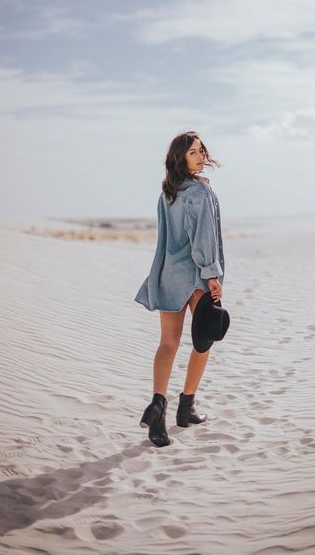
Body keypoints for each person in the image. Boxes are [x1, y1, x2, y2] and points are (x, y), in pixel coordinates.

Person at [134, 131, 225, 447]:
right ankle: (186, 406)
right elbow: (202, 237)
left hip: (170, 273)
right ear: (180, 158)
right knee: (204, 339)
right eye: (192, 153)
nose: (200, 156)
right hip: (198, 276)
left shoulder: (168, 191)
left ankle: (158, 406)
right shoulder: (199, 193)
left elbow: (164, 239)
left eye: (201, 151)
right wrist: (212, 274)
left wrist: (158, 274)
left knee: (168, 343)